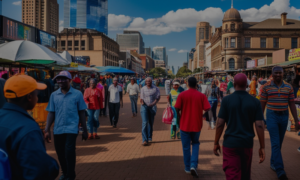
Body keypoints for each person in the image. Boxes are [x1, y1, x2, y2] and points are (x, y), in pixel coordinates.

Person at [0, 74, 59, 179]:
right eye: (36, 94)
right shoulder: (28, 129)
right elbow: (38, 172)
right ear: (29, 97)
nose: (37, 97)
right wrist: (53, 165)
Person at [213, 73, 265, 180]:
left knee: (233, 174)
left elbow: (220, 124)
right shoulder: (255, 102)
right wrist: (262, 146)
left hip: (230, 144)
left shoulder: (227, 100)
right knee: (245, 175)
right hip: (247, 144)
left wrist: (216, 142)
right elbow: (259, 125)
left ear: (234, 84)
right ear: (247, 84)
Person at [44, 71, 88, 180]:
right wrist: (47, 129)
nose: (60, 81)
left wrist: (85, 130)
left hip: (72, 128)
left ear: (69, 80)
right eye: (59, 79)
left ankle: (70, 175)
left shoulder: (77, 94)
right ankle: (65, 172)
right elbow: (51, 113)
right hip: (58, 129)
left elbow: (82, 112)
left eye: (63, 79)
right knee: (60, 152)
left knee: (69, 151)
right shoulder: (54, 95)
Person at [260, 66, 298, 180]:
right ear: (272, 74)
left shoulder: (288, 87)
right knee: (275, 143)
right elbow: (262, 104)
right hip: (272, 116)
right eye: (275, 73)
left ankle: (273, 162)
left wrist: (296, 120)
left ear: (283, 74)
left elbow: (291, 104)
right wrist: (261, 119)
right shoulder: (266, 87)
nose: (277, 75)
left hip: (284, 116)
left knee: (279, 143)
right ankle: (280, 170)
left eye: (279, 73)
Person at [174, 77, 211, 178]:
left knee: (186, 147)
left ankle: (187, 167)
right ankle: (193, 165)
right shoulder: (201, 96)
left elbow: (176, 108)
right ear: (196, 84)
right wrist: (201, 115)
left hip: (184, 125)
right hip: (197, 125)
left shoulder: (182, 95)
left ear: (187, 84)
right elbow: (208, 108)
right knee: (195, 143)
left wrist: (179, 117)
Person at [140, 77, 160, 146]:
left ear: (151, 82)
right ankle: (144, 140)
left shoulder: (156, 88)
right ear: (145, 82)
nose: (148, 82)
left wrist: (154, 103)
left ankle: (149, 136)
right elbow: (141, 98)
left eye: (149, 81)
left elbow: (158, 97)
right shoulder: (143, 88)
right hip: (144, 107)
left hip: (152, 107)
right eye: (147, 81)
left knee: (151, 123)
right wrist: (142, 103)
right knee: (145, 122)